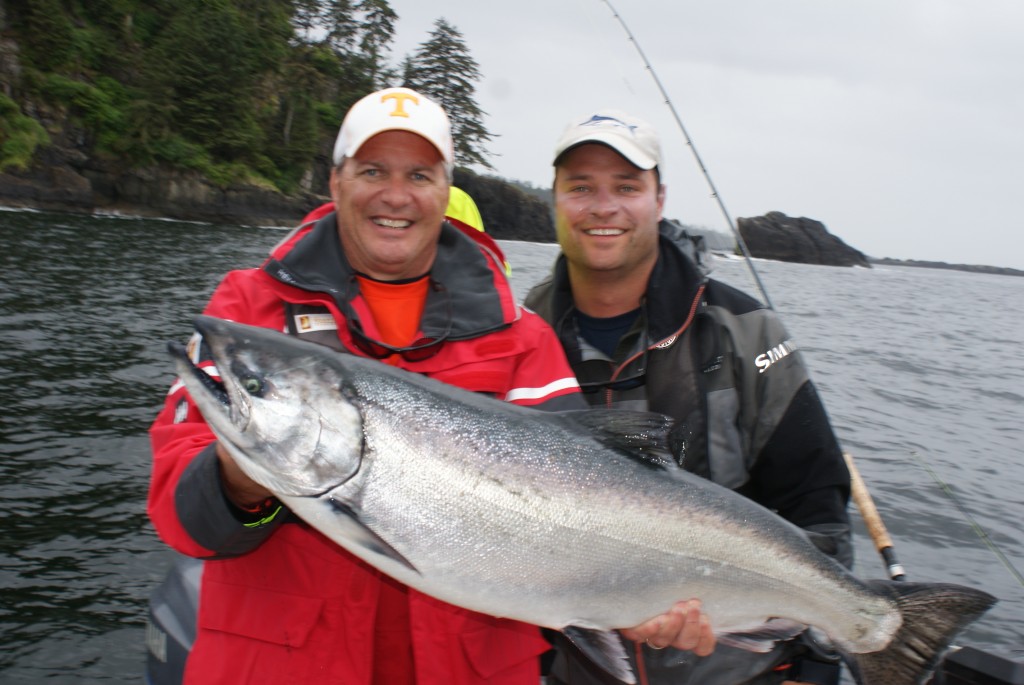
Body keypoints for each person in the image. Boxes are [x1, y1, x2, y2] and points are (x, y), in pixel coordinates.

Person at [147, 88, 713, 685]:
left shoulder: (522, 340)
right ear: (336, 182)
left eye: (419, 174)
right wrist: (245, 481)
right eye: (372, 171)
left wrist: (638, 602)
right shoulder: (248, 315)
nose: (396, 195)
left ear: (445, 192)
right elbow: (185, 520)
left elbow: (585, 498)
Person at [524, 110, 854, 685]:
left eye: (627, 187)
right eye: (581, 188)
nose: (604, 207)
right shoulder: (517, 335)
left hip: (736, 670)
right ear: (555, 199)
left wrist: (818, 641)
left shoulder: (748, 331)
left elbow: (817, 502)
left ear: (659, 199)